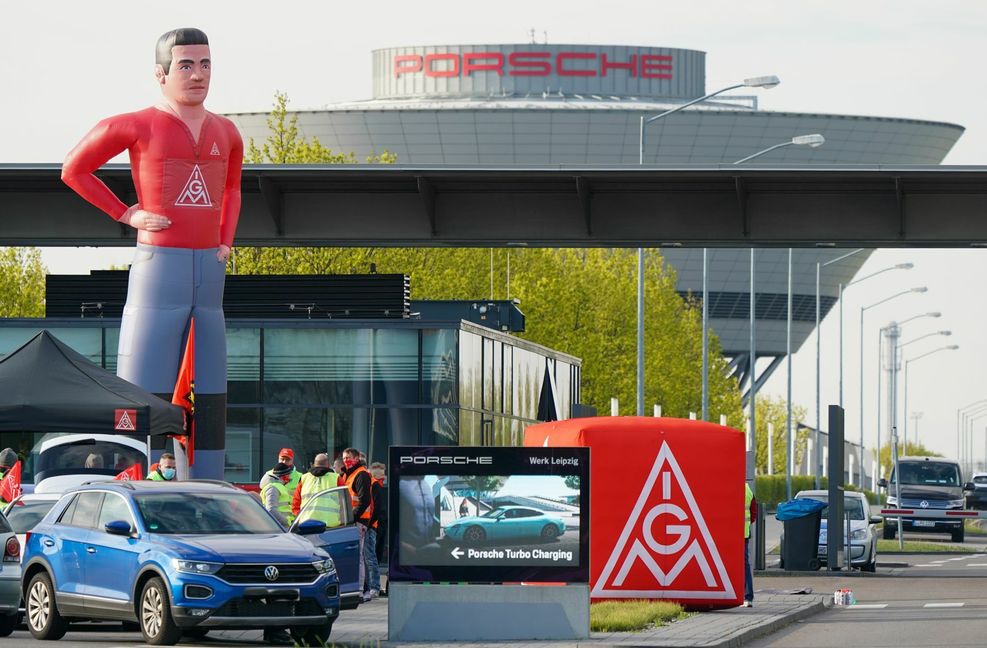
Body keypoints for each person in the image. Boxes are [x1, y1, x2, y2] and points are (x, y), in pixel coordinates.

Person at [61, 27, 244, 481]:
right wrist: (127, 214)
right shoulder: (136, 123)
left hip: (210, 279)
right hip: (158, 270)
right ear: (160, 74)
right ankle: (130, 487)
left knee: (211, 399)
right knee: (141, 390)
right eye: (186, 65)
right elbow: (75, 169)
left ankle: (208, 491)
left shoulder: (227, 130)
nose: (198, 74)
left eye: (205, 64)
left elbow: (234, 187)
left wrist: (225, 241)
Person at [338, 448, 375, 600]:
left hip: (357, 521)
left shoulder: (361, 474)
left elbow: (364, 500)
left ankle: (360, 590)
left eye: (350, 458)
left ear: (357, 458)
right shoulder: (347, 474)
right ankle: (359, 588)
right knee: (355, 555)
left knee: (358, 556)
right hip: (351, 521)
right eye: (345, 458)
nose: (346, 460)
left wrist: (351, 517)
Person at [291, 453, 339, 524]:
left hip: (306, 524)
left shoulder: (304, 478)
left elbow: (295, 503)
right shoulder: (337, 478)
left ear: (314, 464)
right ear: (328, 465)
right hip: (331, 525)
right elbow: (345, 503)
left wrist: (301, 518)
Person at [260, 462, 295, 527]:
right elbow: (271, 510)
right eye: (288, 475)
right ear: (283, 476)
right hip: (280, 526)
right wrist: (286, 522)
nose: (289, 478)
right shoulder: (272, 488)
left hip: (282, 526)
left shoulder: (278, 486)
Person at [744, 482, 756, 607]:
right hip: (744, 533)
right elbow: (753, 514)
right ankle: (747, 597)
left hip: (727, 534)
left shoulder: (725, 485)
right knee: (744, 565)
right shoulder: (747, 489)